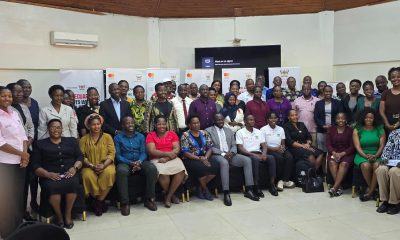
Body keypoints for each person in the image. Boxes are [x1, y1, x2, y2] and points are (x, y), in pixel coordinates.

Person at [32, 119, 83, 229]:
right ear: (48, 129)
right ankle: (59, 216)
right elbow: (35, 166)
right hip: (49, 176)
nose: (56, 129)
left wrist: (75, 168)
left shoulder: (71, 141)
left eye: (58, 127)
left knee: (73, 183)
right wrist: (47, 174)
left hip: (70, 173)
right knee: (52, 186)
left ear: (62, 129)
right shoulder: (40, 144)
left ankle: (67, 214)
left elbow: (80, 157)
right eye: (53, 127)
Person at [206, 114, 259, 206]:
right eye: (218, 120)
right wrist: (223, 154)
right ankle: (226, 192)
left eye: (222, 120)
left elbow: (234, 145)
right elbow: (210, 147)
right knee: (224, 163)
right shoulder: (208, 131)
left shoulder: (228, 130)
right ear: (214, 121)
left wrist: (232, 152)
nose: (220, 122)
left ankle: (249, 190)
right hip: (217, 155)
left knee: (247, 160)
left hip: (231, 154)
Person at [0, 86, 29, 238]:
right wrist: (22, 154)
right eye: (3, 96)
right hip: (4, 164)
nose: (7, 99)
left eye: (9, 96)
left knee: (18, 196)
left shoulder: (14, 112)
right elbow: (1, 143)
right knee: (6, 198)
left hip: (20, 162)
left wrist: (24, 155)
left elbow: (23, 134)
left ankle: (17, 227)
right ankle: (6, 231)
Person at [114, 116, 158, 215]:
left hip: (139, 161)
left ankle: (149, 199)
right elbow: (118, 155)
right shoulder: (118, 138)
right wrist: (130, 163)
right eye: (128, 123)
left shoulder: (141, 136)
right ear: (123, 125)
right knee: (121, 171)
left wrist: (139, 161)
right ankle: (125, 203)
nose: (130, 125)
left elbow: (144, 152)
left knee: (151, 168)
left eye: (132, 123)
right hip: (125, 162)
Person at [7, 83, 35, 220]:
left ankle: (23, 210)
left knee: (24, 185)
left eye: (20, 92)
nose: (19, 94)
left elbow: (30, 127)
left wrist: (28, 144)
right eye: (15, 92)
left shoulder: (24, 107)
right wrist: (22, 151)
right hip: (11, 154)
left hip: (26, 151)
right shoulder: (7, 110)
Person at [146, 115, 187, 208]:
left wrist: (167, 158)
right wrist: (167, 154)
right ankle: (171, 195)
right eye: (159, 124)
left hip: (171, 158)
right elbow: (152, 151)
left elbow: (177, 149)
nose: (162, 126)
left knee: (181, 169)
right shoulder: (150, 135)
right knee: (162, 172)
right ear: (155, 125)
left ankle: (168, 196)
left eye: (164, 124)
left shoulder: (172, 134)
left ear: (166, 124)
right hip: (156, 159)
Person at [80, 114, 116, 216]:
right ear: (89, 126)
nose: (96, 127)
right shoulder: (84, 139)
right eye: (93, 125)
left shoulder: (107, 137)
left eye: (98, 124)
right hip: (89, 166)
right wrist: (92, 166)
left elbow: (112, 153)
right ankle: (100, 201)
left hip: (105, 164)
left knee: (110, 172)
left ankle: (98, 202)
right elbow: (81, 156)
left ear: (101, 124)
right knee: (87, 175)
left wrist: (103, 165)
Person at [236, 115, 278, 197]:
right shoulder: (240, 132)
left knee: (272, 158)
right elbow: (240, 148)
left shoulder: (258, 132)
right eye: (250, 120)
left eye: (253, 120)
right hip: (247, 154)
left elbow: (264, 145)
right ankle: (256, 186)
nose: (252, 121)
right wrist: (254, 155)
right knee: (254, 160)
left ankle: (271, 184)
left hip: (259, 153)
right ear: (245, 121)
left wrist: (264, 154)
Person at [181, 115, 218, 201]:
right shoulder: (185, 135)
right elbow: (185, 152)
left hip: (205, 156)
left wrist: (205, 157)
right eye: (194, 123)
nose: (196, 125)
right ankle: (205, 190)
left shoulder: (204, 133)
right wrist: (199, 159)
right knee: (200, 168)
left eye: (198, 122)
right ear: (189, 125)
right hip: (191, 159)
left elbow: (210, 148)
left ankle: (199, 187)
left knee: (216, 165)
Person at [17, 79, 40, 213]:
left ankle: (34, 202)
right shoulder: (14, 106)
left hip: (35, 143)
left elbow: (34, 125)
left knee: (34, 174)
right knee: (24, 178)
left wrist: (32, 140)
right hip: (20, 147)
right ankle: (22, 207)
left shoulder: (34, 103)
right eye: (23, 88)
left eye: (28, 87)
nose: (26, 90)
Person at [353, 109, 386, 202]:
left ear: (374, 119)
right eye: (366, 117)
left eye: (371, 118)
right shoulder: (357, 129)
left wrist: (376, 155)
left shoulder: (380, 128)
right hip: (361, 154)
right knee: (365, 165)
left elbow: (382, 145)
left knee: (377, 165)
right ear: (363, 118)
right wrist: (366, 156)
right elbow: (357, 147)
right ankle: (374, 190)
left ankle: (370, 192)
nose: (368, 119)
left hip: (377, 154)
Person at [261, 112, 295, 191]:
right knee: (279, 158)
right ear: (267, 120)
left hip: (279, 148)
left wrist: (282, 149)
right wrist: (275, 149)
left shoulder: (281, 129)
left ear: (277, 119)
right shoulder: (263, 129)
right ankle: (279, 180)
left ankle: (284, 180)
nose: (273, 119)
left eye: (275, 118)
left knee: (289, 157)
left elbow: (283, 142)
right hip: (269, 150)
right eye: (271, 118)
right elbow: (263, 145)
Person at [326, 113, 355, 197]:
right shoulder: (331, 129)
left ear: (345, 120)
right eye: (338, 118)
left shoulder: (350, 130)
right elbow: (328, 145)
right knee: (331, 162)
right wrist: (334, 153)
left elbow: (352, 146)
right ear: (335, 120)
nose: (340, 120)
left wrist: (342, 154)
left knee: (344, 164)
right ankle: (339, 188)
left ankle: (335, 187)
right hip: (334, 153)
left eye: (342, 118)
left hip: (347, 153)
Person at [375, 129, 400, 214]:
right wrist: (385, 159)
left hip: (397, 167)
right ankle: (385, 201)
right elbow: (387, 148)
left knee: (394, 172)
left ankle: (394, 203)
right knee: (381, 170)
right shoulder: (394, 133)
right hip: (393, 162)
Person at [314, 85, 343, 152]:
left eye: (330, 91)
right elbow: (316, 116)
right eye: (326, 91)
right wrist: (323, 125)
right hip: (321, 129)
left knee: (333, 148)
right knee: (321, 149)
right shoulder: (318, 103)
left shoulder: (337, 103)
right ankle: (323, 161)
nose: (328, 93)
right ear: (323, 92)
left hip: (334, 129)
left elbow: (339, 116)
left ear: (332, 92)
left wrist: (332, 125)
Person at [380, 67, 400, 133]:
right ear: (389, 79)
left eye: (398, 76)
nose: (396, 79)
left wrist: (398, 124)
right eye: (393, 77)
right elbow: (381, 111)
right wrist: (387, 124)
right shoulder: (385, 93)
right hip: (388, 124)